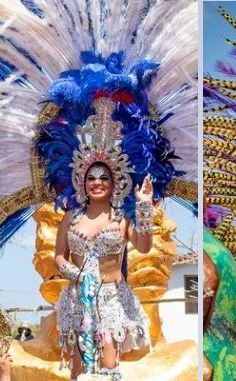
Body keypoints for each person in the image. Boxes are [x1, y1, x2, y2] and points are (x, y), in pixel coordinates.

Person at [53, 98, 154, 381]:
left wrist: (144, 207)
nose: (97, 182)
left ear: (114, 183)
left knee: (108, 365)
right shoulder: (71, 217)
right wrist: (76, 274)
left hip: (112, 298)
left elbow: (144, 246)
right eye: (91, 178)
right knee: (79, 368)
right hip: (78, 297)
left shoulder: (122, 219)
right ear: (82, 182)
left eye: (104, 178)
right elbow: (58, 256)